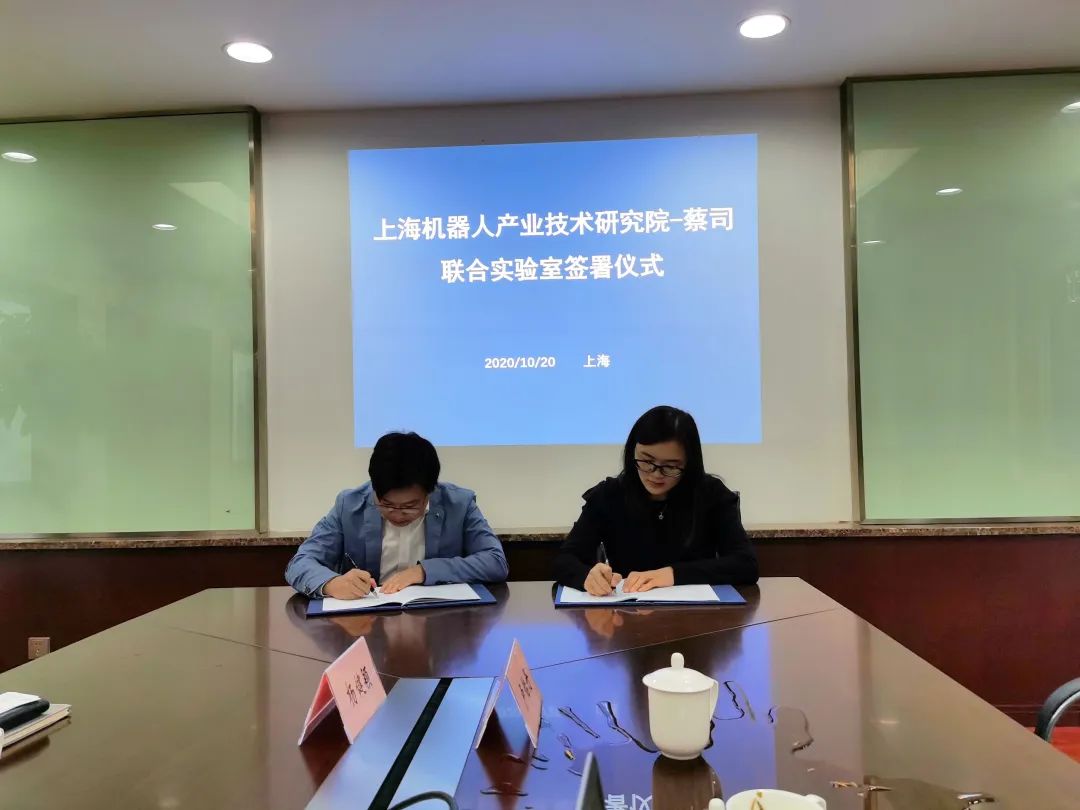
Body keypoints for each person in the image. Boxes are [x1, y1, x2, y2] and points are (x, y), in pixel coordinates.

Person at [554, 405, 758, 595]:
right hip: (627, 611)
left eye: (670, 466)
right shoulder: (608, 495)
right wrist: (587, 577)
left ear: (689, 463)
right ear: (632, 452)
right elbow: (564, 560)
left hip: (696, 614)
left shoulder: (712, 494)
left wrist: (672, 574)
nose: (655, 474)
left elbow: (746, 564)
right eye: (646, 461)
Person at [286, 431, 509, 599]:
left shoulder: (459, 504)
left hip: (438, 621)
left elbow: (495, 561)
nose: (398, 515)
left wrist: (423, 571)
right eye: (386, 505)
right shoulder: (350, 505)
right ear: (374, 489)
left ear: (430, 491)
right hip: (368, 622)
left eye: (411, 506)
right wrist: (331, 583)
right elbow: (300, 563)